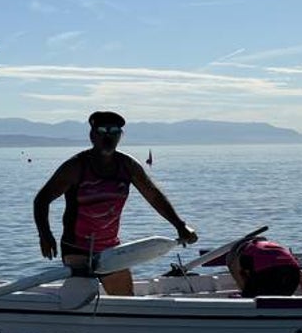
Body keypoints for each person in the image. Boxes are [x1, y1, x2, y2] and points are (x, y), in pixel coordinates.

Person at [33, 111, 198, 296]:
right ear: (92, 135)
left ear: (120, 135)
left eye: (114, 131)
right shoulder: (76, 167)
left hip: (110, 249)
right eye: (102, 130)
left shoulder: (127, 165)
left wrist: (180, 225)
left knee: (126, 300)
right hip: (77, 248)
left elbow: (154, 196)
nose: (108, 135)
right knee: (80, 300)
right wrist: (45, 235)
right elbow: (41, 200)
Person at [227, 237, 302, 297]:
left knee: (251, 296)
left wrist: (247, 294)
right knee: (281, 295)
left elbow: (241, 281)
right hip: (291, 275)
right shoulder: (276, 248)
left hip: (267, 274)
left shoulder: (241, 255)